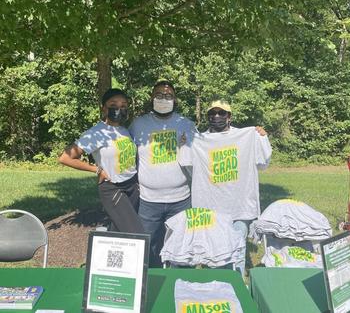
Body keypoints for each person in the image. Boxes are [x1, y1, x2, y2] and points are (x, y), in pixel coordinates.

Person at [180, 100, 272, 275]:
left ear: (229, 117)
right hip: (210, 207)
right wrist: (185, 143)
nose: (216, 116)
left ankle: (236, 282)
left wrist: (261, 136)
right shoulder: (198, 139)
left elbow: (263, 163)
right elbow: (188, 166)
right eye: (212, 113)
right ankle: (213, 281)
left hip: (240, 206)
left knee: (237, 246)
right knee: (211, 248)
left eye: (221, 113)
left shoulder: (246, 136)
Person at [129, 80, 196, 267]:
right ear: (151, 98)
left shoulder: (187, 124)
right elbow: (123, 154)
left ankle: (178, 282)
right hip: (148, 201)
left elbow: (205, 151)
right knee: (147, 248)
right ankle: (151, 283)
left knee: (181, 248)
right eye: (159, 95)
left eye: (168, 96)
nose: (163, 99)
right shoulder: (138, 125)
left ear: (175, 100)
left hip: (181, 199)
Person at [59, 88, 144, 233]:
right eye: (113, 105)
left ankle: (104, 254)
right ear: (104, 109)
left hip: (132, 185)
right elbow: (65, 158)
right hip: (113, 187)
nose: (119, 108)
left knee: (118, 230)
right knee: (136, 232)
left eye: (123, 105)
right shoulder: (96, 133)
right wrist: (96, 169)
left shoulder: (124, 130)